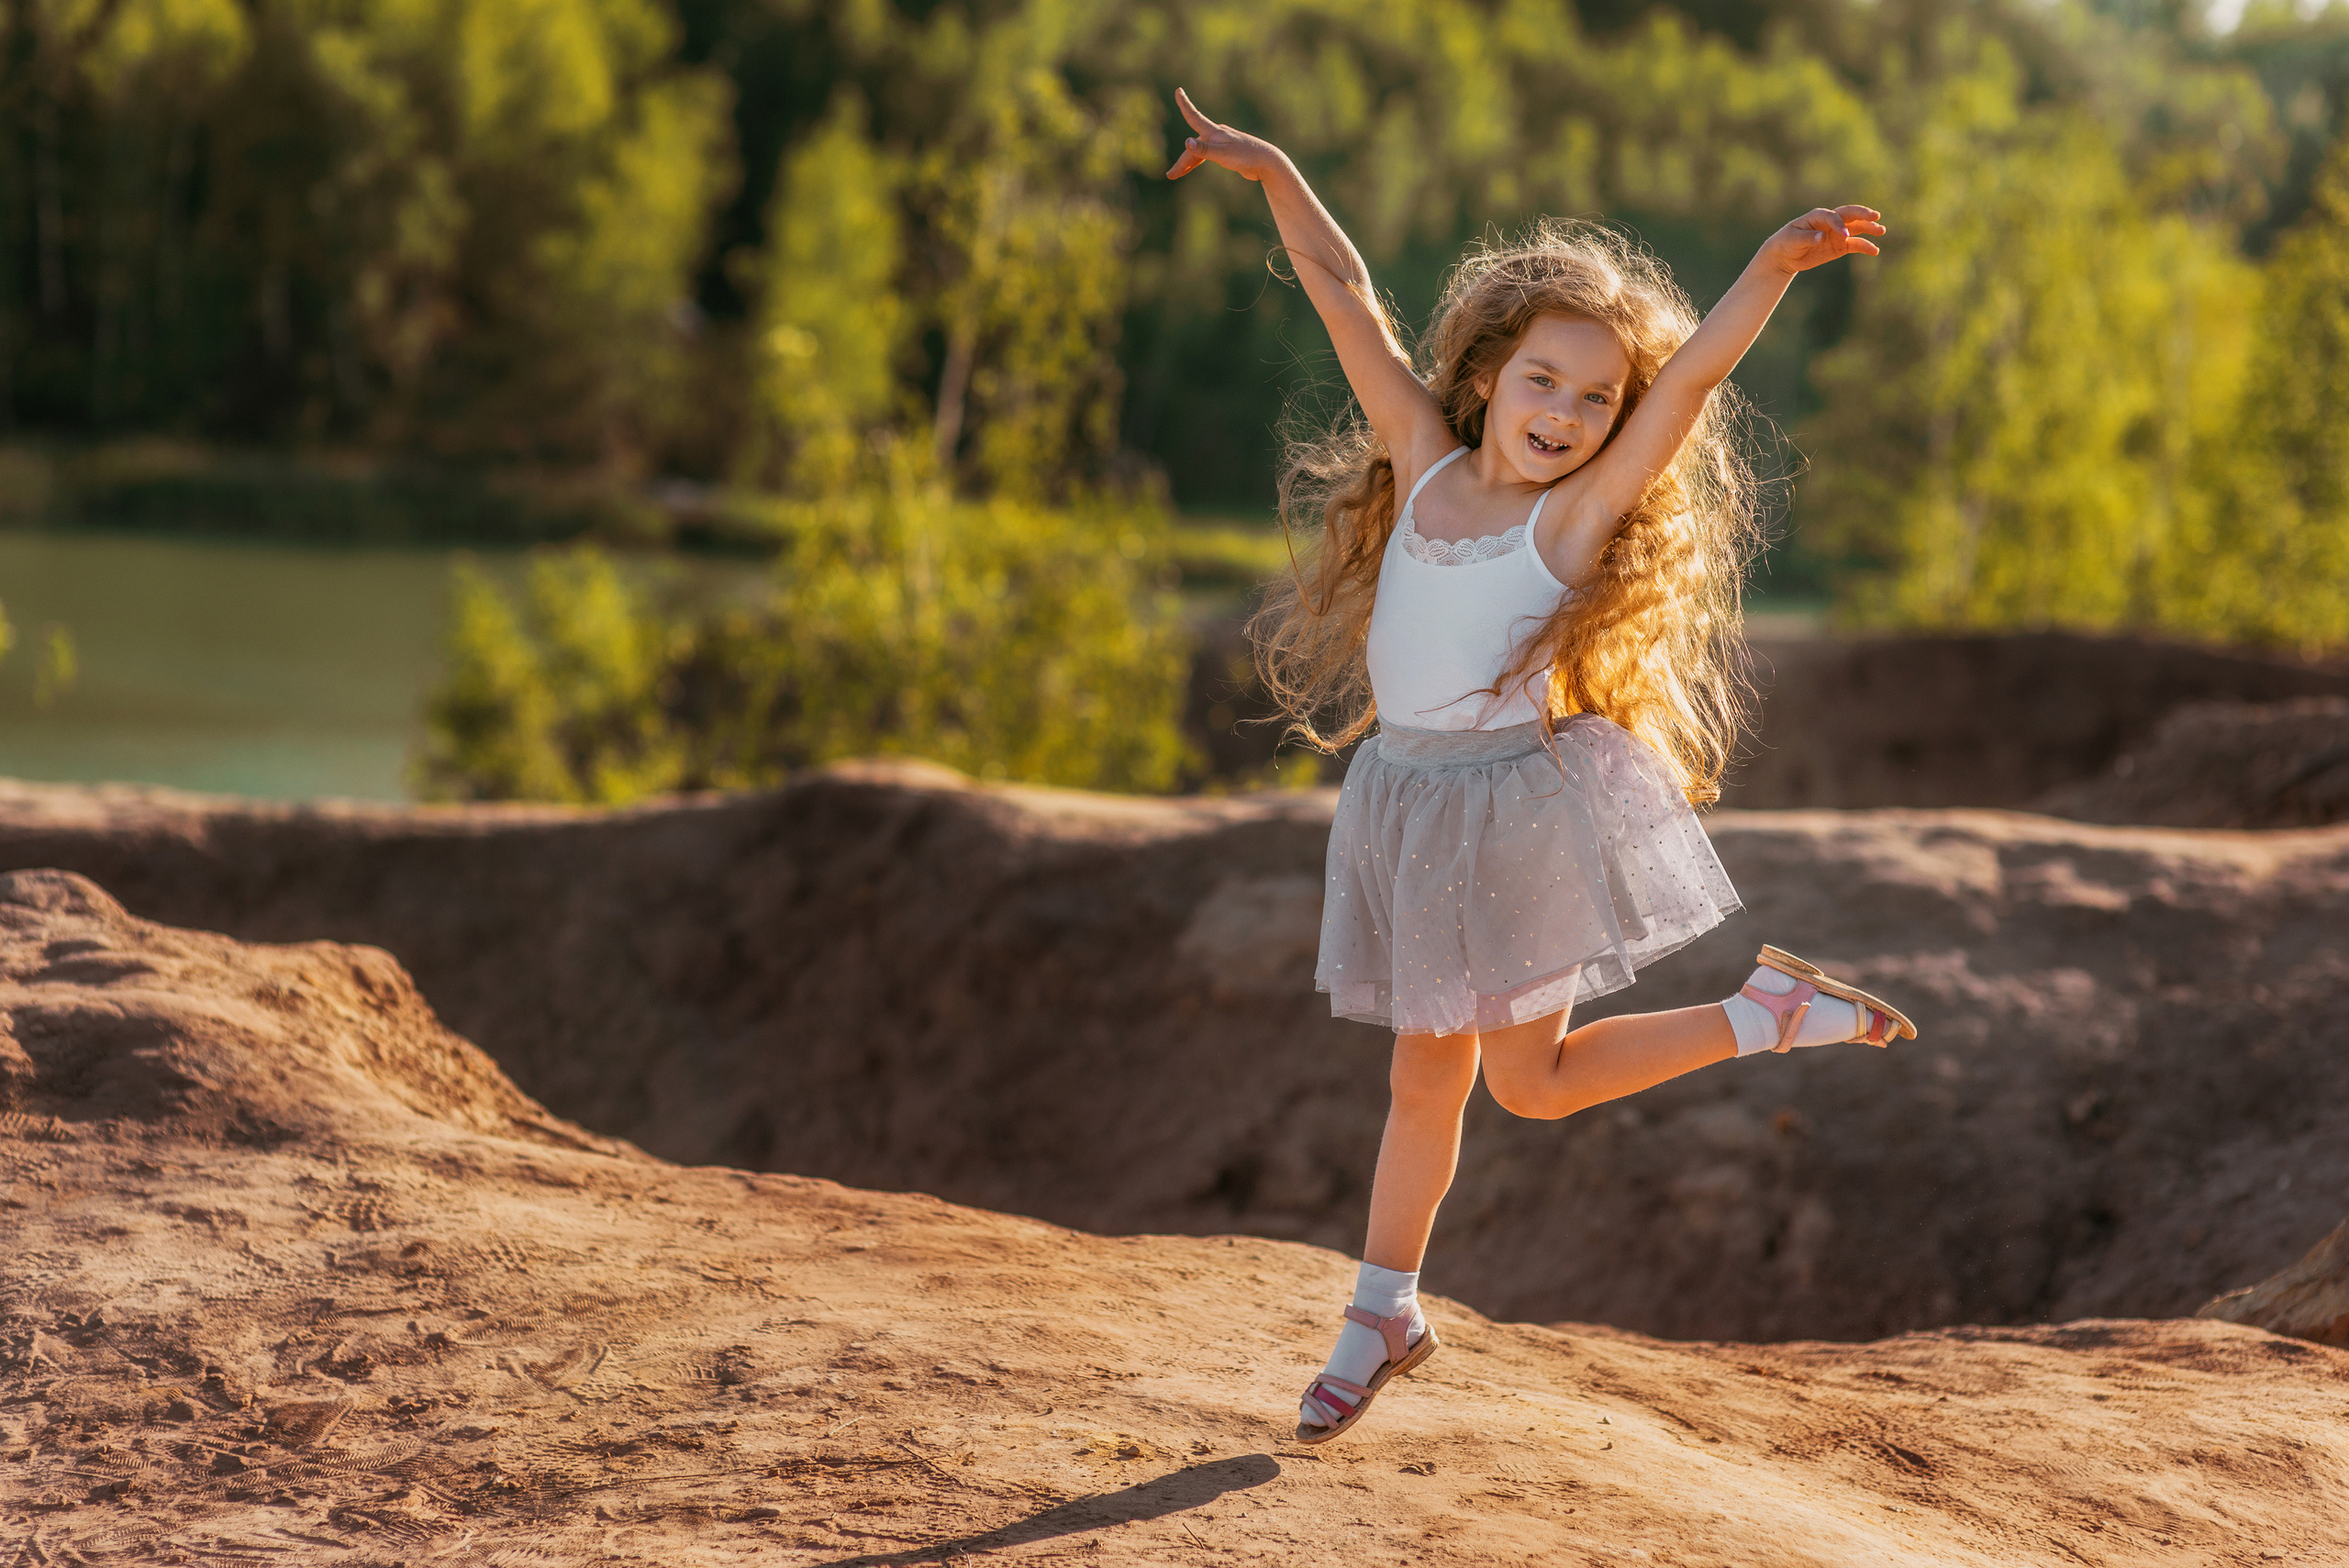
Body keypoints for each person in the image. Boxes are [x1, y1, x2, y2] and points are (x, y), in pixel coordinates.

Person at [1165, 89, 1918, 1444]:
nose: (1564, 413)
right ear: (1488, 375)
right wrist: (1273, 165)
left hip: (1507, 809)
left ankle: (1763, 1018)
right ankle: (1383, 1306)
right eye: (1542, 381)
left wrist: (1771, 265)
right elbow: (1344, 295)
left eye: (1592, 399)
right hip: (1405, 797)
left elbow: (1690, 382)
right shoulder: (1422, 457)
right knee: (1445, 1080)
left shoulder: (1569, 522)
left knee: (1524, 1082)